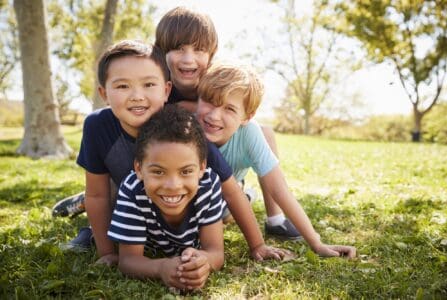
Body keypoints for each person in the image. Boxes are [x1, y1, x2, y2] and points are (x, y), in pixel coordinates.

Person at [57, 39, 288, 264]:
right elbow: (97, 195)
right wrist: (107, 252)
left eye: (148, 85)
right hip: (129, 199)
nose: (137, 95)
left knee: (219, 207)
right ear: (104, 93)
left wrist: (257, 245)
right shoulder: (97, 125)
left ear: (166, 90)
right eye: (122, 86)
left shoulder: (183, 128)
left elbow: (230, 190)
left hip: (175, 208)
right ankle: (90, 233)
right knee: (111, 199)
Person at [155, 6, 301, 240]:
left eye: (199, 49)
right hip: (183, 171)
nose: (188, 58)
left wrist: (190, 108)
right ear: (161, 51)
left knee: (264, 132)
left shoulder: (215, 80)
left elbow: (239, 111)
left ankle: (275, 219)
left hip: (222, 169)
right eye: (178, 48)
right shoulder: (155, 83)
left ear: (211, 55)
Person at [196, 63, 357, 258]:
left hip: (228, 194)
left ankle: (244, 197)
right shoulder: (187, 127)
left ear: (247, 116)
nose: (214, 115)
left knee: (228, 206)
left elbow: (279, 190)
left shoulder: (249, 133)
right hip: (202, 196)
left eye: (229, 109)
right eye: (210, 101)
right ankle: (243, 197)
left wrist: (316, 243)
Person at [108, 106, 224, 290]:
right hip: (133, 223)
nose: (173, 186)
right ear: (139, 169)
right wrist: (160, 268)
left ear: (202, 168)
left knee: (224, 216)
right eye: (158, 172)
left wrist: (203, 262)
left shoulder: (208, 185)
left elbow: (216, 252)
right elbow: (128, 260)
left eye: (186, 171)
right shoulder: (133, 190)